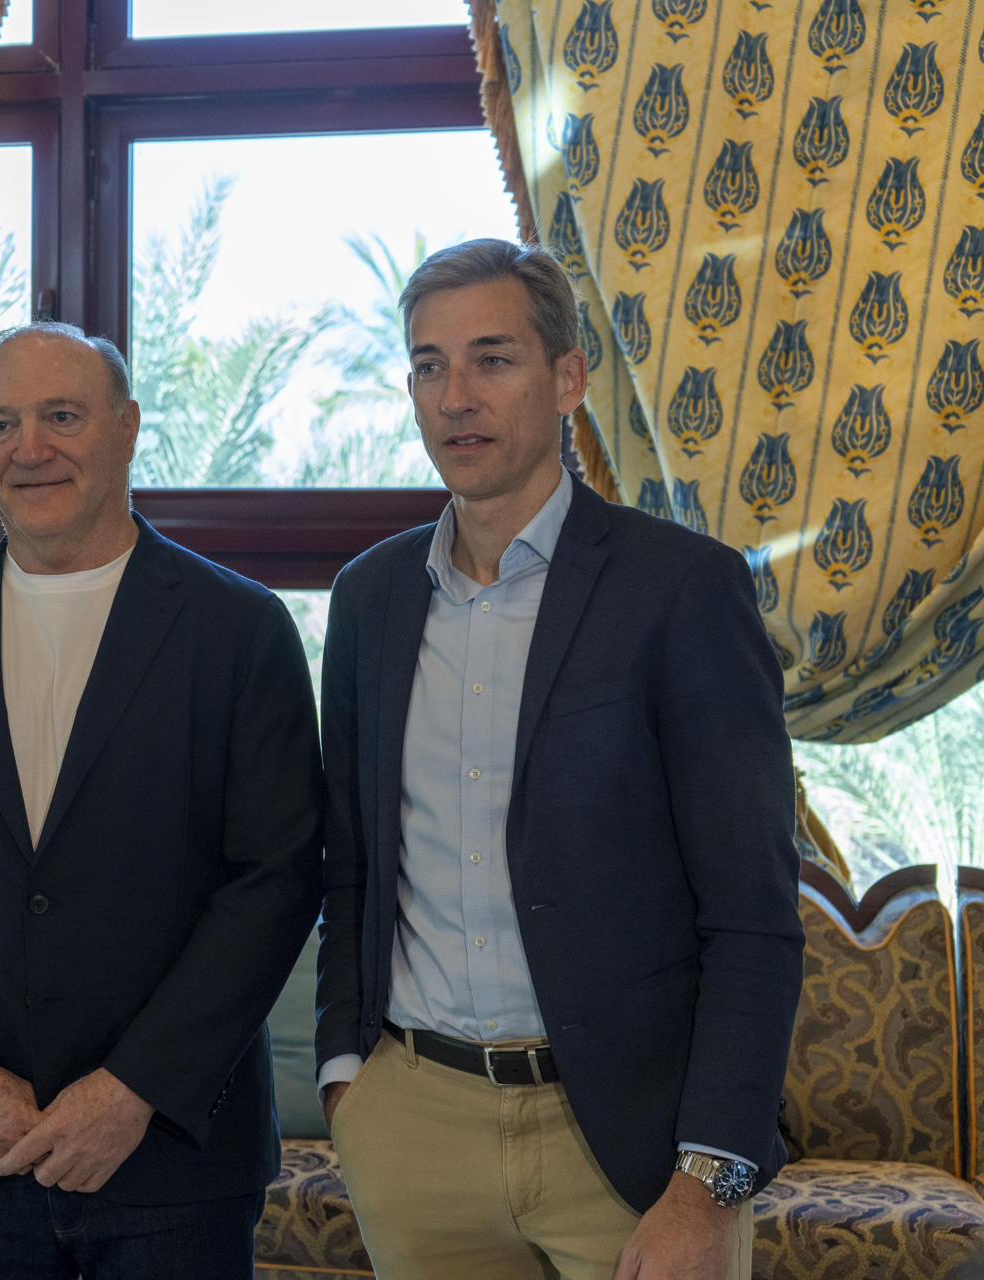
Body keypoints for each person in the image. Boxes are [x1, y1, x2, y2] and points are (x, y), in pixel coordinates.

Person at [313, 239, 804, 1280]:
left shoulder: (683, 589)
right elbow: (351, 858)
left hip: (630, 1147)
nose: (456, 396)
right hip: (417, 1130)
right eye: (429, 365)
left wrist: (710, 1176)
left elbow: (753, 914)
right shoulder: (370, 598)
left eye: (492, 358)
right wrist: (348, 1080)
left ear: (568, 377)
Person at [0, 322, 323, 1279]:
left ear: (128, 429)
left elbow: (275, 880)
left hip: (175, 1159)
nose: (29, 449)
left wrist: (134, 1089)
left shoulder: (240, 630)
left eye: (61, 416)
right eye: (0, 424)